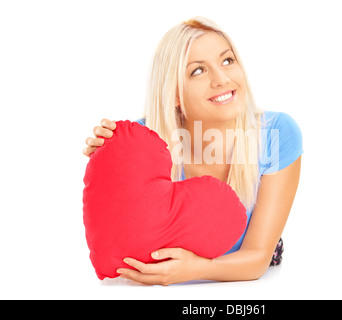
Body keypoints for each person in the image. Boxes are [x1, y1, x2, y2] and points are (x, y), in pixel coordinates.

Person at [82, 17, 303, 285]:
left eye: (227, 61)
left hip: (251, 258)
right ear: (174, 94)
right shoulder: (144, 140)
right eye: (198, 71)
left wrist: (196, 270)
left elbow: (257, 257)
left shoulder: (277, 134)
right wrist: (107, 158)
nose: (222, 79)